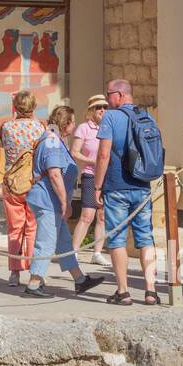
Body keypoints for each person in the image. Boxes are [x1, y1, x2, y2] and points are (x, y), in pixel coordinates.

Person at [23, 105, 106, 298]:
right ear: (65, 123)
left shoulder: (54, 139)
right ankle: (34, 283)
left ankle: (79, 279)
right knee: (46, 241)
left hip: (50, 199)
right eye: (73, 122)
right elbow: (54, 175)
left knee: (63, 242)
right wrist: (64, 202)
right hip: (48, 200)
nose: (75, 125)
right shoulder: (52, 142)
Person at [93, 80, 162, 306]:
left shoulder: (111, 118)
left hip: (116, 186)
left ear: (120, 95)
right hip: (142, 186)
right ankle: (151, 290)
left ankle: (123, 291)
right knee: (145, 238)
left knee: (117, 239)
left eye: (109, 94)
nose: (107, 99)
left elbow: (103, 155)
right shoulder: (147, 117)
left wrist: (97, 186)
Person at [0, 90, 46, 286]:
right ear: (34, 108)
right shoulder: (40, 128)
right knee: (32, 228)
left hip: (12, 183)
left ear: (16, 107)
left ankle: (14, 272)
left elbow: (0, 143)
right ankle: (34, 271)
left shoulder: (7, 127)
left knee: (14, 229)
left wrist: (14, 111)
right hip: (34, 182)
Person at [69, 94, 109, 266]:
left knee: (102, 216)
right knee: (87, 214)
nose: (102, 110)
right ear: (91, 110)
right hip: (90, 174)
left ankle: (97, 253)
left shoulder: (109, 128)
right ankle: (74, 252)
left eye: (105, 107)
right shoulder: (84, 128)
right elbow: (74, 152)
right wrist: (92, 161)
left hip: (107, 176)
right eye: (99, 107)